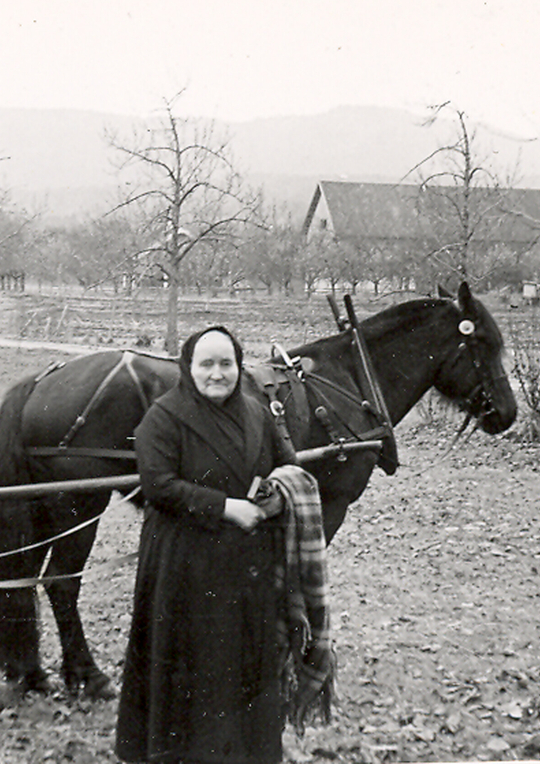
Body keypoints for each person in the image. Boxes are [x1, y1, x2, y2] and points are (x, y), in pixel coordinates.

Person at [115, 325, 331, 764]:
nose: (217, 374)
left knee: (244, 667)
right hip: (183, 566)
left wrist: (272, 502)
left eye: (226, 363)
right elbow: (158, 486)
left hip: (248, 567)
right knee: (188, 669)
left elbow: (286, 468)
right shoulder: (163, 417)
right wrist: (226, 507)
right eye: (206, 364)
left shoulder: (257, 413)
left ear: (238, 365)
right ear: (188, 367)